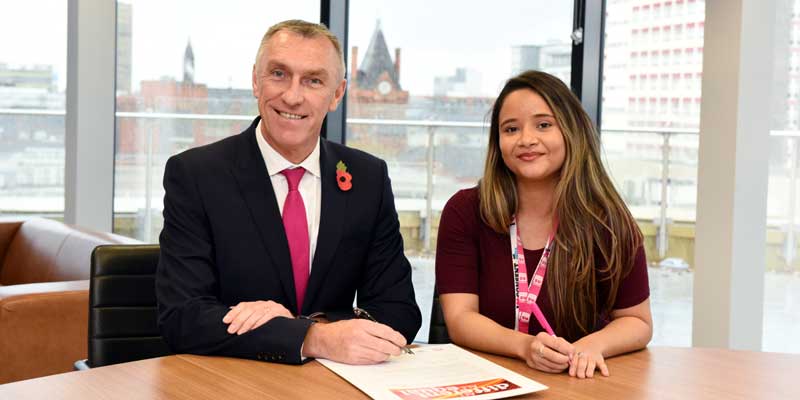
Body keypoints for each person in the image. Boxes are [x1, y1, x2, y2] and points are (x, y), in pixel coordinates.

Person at [156, 19, 421, 366]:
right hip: (230, 383)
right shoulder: (195, 175)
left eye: (313, 80)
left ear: (337, 94)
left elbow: (399, 311)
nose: (293, 96)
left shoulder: (367, 178)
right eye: (279, 74)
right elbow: (182, 318)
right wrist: (311, 337)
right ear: (255, 80)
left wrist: (309, 332)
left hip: (330, 385)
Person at [435, 70, 652, 379]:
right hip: (489, 381)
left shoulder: (609, 221)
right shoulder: (465, 211)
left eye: (543, 125)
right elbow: (459, 319)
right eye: (511, 129)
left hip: (579, 382)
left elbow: (638, 322)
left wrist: (592, 346)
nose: (526, 139)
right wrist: (525, 347)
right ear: (498, 142)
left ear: (571, 131)